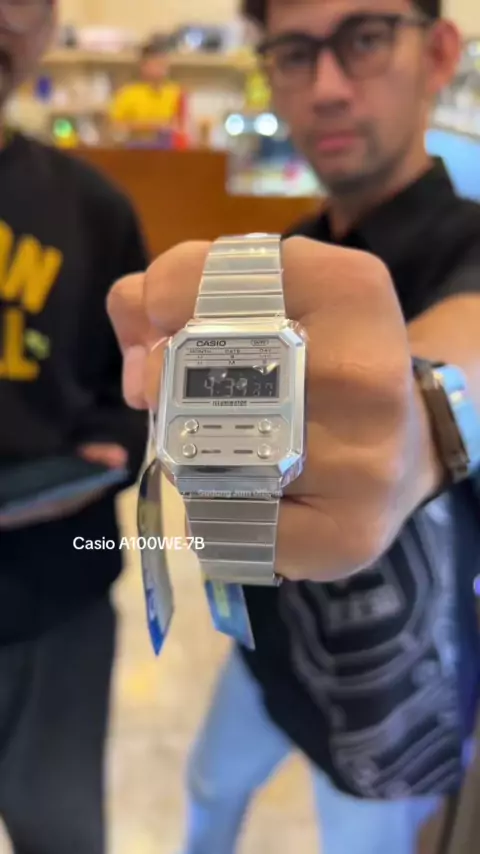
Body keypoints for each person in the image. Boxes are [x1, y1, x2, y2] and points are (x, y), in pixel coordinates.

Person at [106, 0, 480, 852]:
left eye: (365, 38)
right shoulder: (285, 250)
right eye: (294, 53)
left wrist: (425, 417)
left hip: (392, 705)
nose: (328, 86)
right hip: (263, 643)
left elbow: (467, 346)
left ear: (439, 53)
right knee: (208, 789)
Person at [0, 2, 148, 852]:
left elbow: (140, 398)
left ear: (50, 24)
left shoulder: (95, 211)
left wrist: (113, 449)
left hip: (60, 599)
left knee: (60, 836)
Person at [108, 35, 185, 141]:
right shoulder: (127, 93)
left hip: (169, 147)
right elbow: (115, 126)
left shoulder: (176, 92)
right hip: (134, 147)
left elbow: (181, 126)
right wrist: (152, 126)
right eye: (157, 64)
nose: (162, 69)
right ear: (143, 66)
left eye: (164, 64)